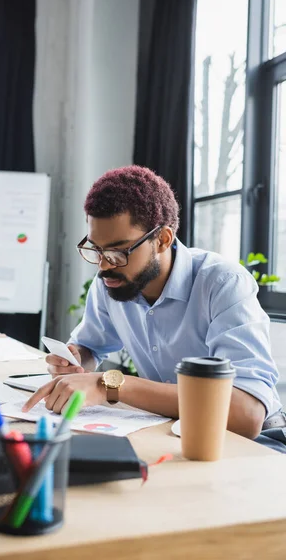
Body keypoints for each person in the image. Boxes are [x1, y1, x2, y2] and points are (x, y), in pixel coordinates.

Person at [23, 166, 285, 450]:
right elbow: (89, 348)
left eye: (118, 252)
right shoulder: (112, 282)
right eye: (96, 249)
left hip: (253, 443)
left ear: (163, 239)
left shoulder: (223, 283)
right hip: (165, 432)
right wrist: (74, 362)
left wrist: (109, 385)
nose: (104, 265)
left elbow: (246, 415)